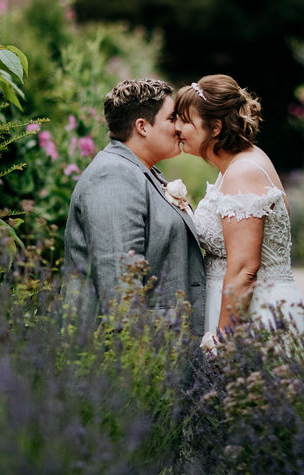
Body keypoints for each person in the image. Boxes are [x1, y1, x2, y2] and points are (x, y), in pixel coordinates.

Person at [173, 74, 304, 349]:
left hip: (256, 318)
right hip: (240, 311)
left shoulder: (244, 172)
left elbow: (243, 270)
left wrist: (223, 342)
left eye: (185, 121)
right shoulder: (237, 165)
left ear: (214, 127)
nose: (176, 128)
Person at [63, 78, 206, 333]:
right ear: (142, 126)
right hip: (138, 352)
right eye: (172, 118)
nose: (179, 127)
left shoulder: (140, 171)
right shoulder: (113, 176)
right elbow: (120, 285)